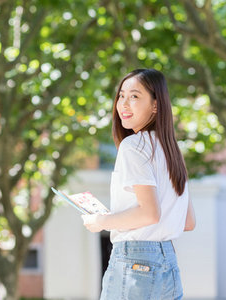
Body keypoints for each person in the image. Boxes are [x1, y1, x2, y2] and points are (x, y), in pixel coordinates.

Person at [82, 68, 196, 300]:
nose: (124, 104)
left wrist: (101, 221)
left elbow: (149, 213)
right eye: (121, 96)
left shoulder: (133, 146)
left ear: (156, 105)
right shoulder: (173, 152)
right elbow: (188, 221)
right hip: (168, 264)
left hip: (134, 263)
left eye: (134, 96)